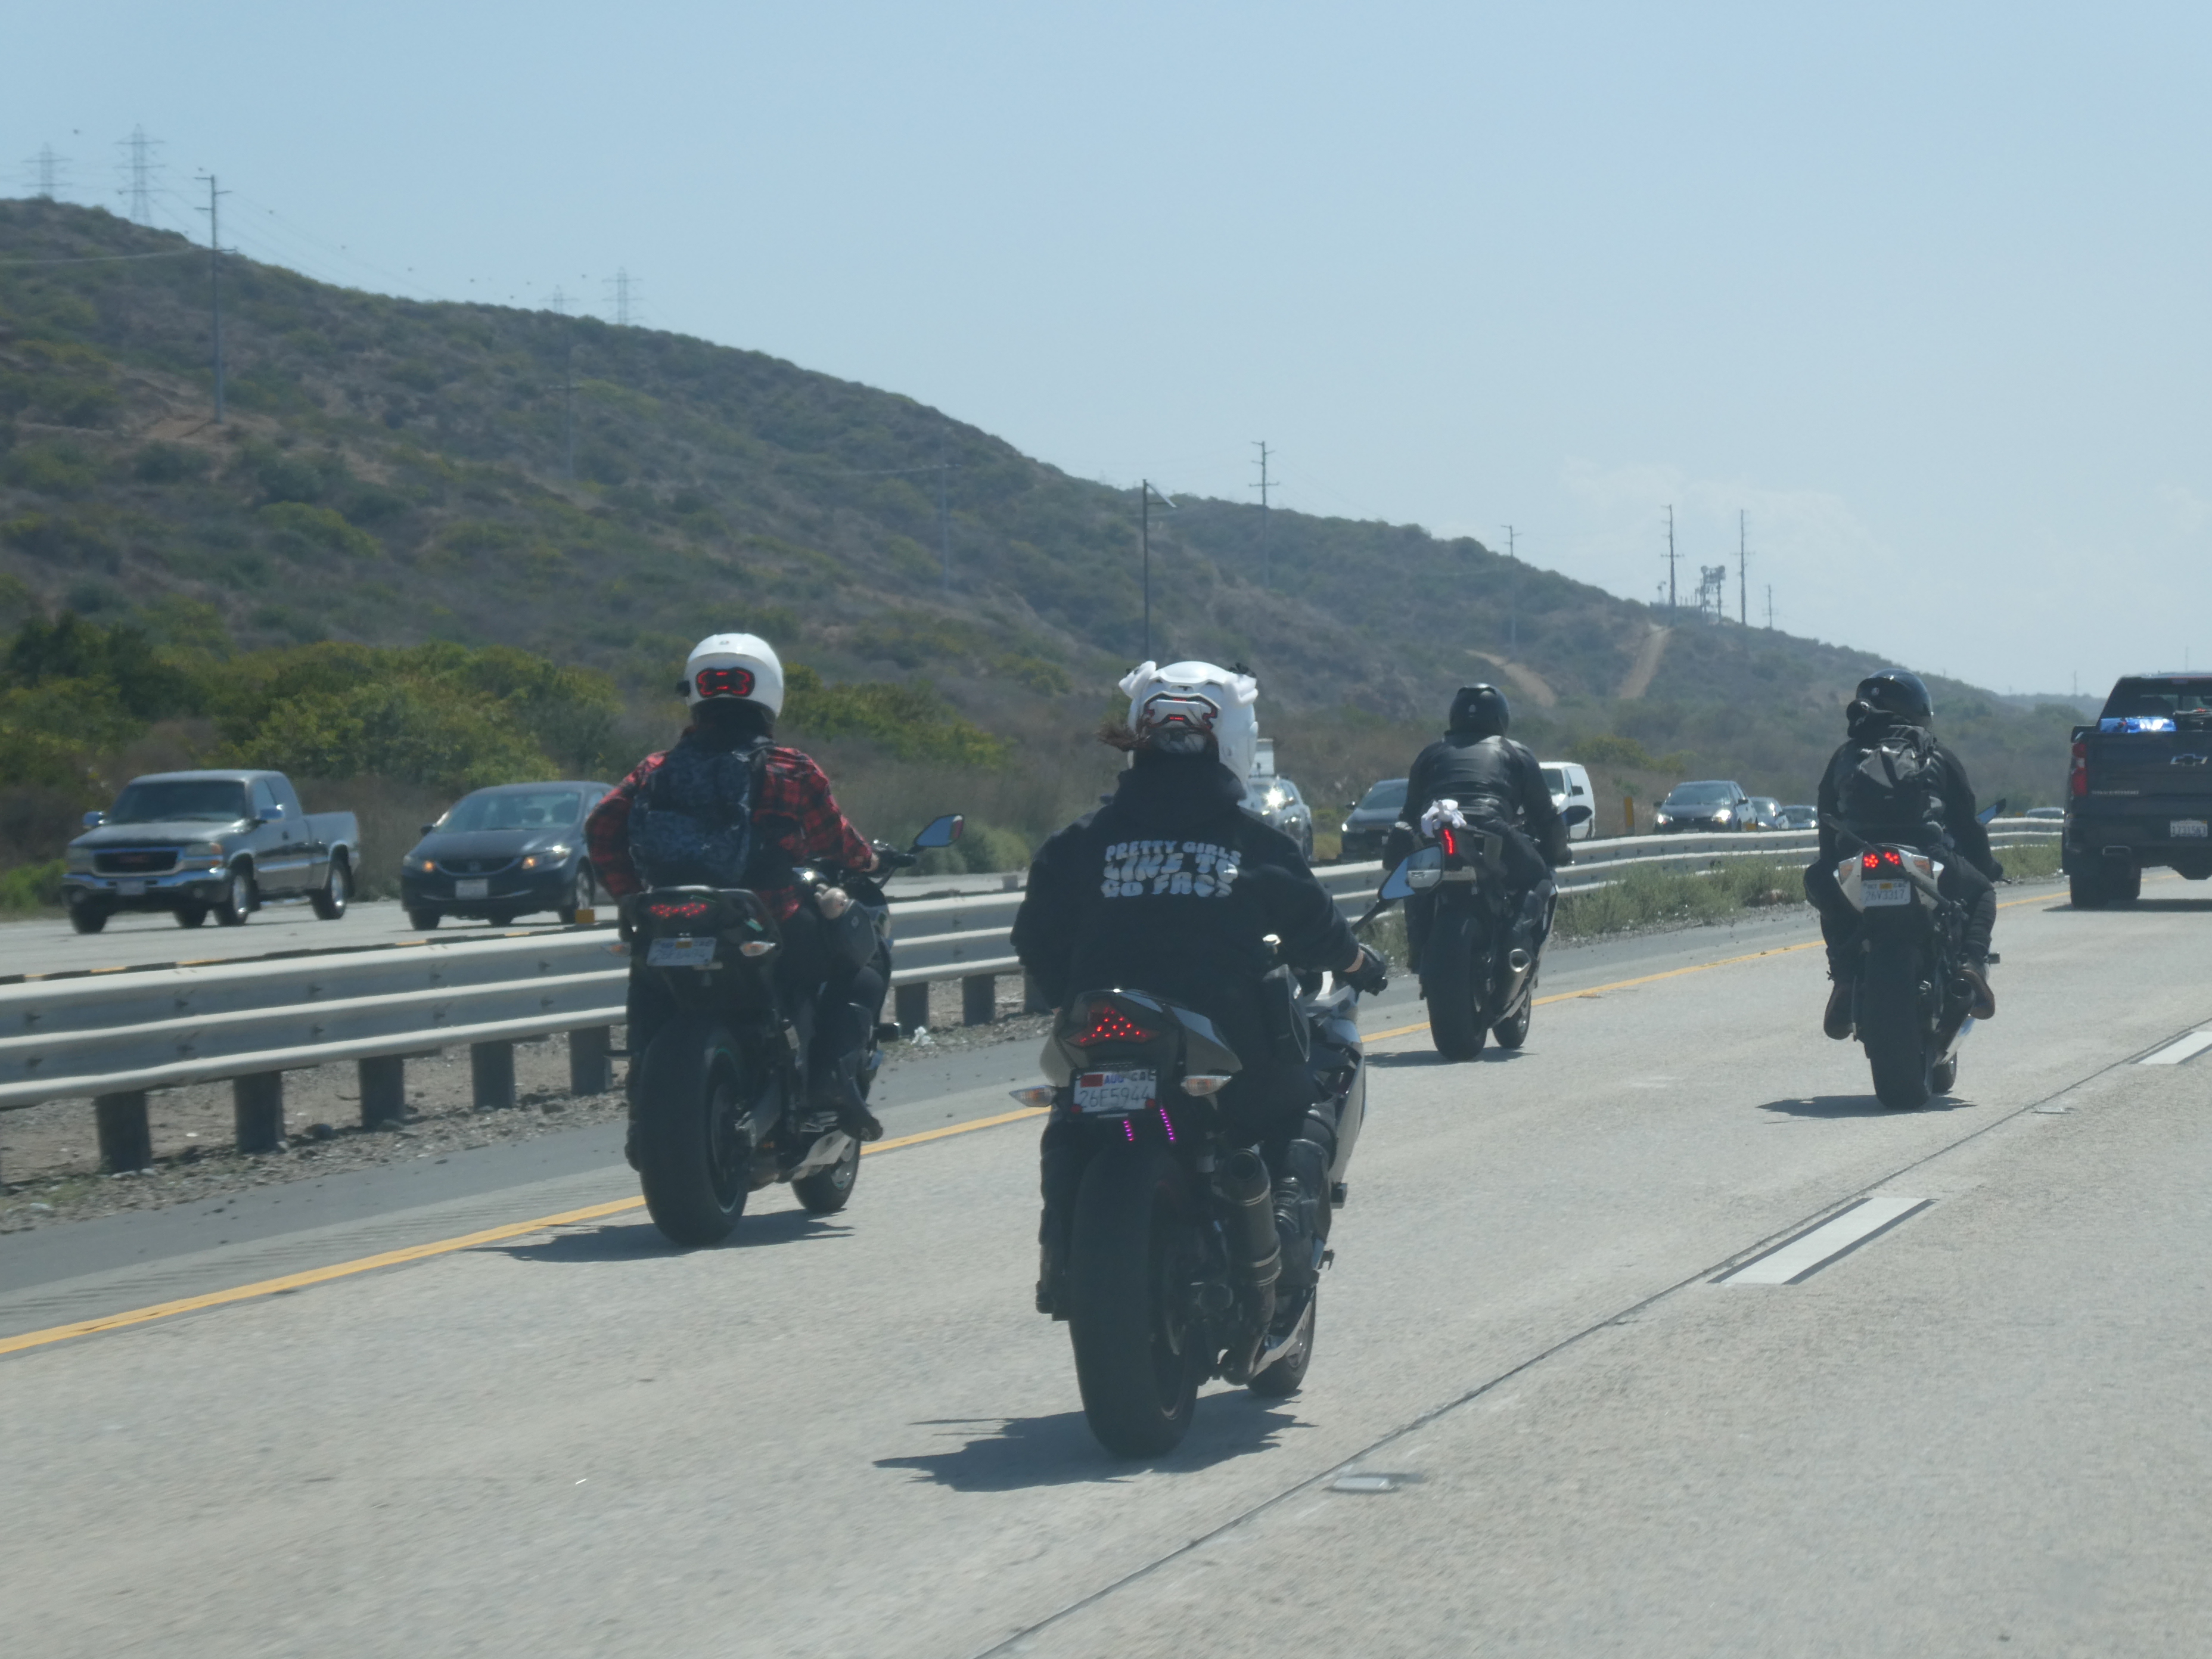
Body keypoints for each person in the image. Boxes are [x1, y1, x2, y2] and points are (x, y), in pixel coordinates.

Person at [1012, 660, 1389, 1318]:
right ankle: (1285, 1246)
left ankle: (1059, 1258)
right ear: (1236, 740)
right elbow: (1318, 931)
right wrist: (1360, 963)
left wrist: (1071, 991)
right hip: (1225, 1036)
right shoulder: (1255, 843)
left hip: (1101, 1026)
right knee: (1302, 1106)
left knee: (1071, 1116)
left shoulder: (1079, 842)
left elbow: (1035, 939)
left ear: (1140, 735)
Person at [586, 632, 887, 1148]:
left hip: (670, 914)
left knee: (652, 977)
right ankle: (828, 1085)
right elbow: (835, 840)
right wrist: (872, 860)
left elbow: (600, 828)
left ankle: (641, 1091)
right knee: (860, 971)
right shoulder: (790, 768)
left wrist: (630, 895)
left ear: (695, 694)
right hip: (768, 916)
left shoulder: (655, 769)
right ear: (770, 693)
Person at [1803, 669, 2002, 1038]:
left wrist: (1831, 865)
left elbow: (1827, 822)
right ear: (1917, 709)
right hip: (1927, 856)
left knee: (1823, 887)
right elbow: (1967, 824)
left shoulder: (1845, 756)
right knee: (1983, 893)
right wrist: (1986, 867)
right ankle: (1971, 965)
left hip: (1859, 857)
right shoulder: (1936, 752)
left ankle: (1844, 977)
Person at [1390, 684, 1570, 971]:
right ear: (1500, 719)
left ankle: (1417, 949)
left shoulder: (1430, 754)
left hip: (1435, 833)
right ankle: (1516, 942)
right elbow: (1545, 815)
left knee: (1419, 880)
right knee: (1540, 878)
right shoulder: (1515, 753)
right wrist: (1558, 852)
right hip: (1491, 829)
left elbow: (1410, 813)